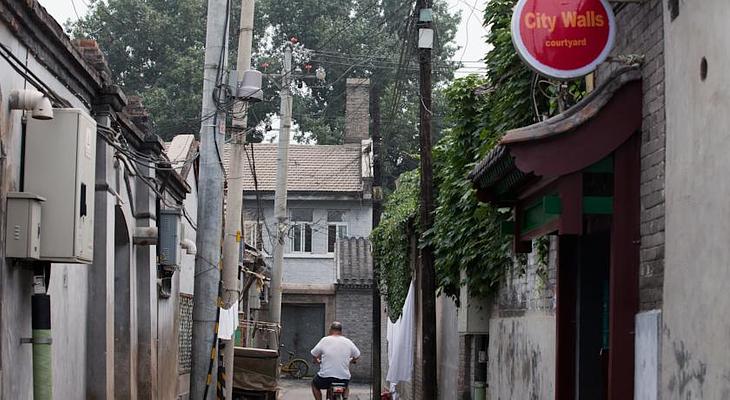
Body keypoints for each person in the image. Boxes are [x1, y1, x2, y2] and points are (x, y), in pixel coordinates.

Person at [310, 321, 360, 400]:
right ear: (341, 331)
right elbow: (357, 355)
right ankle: (345, 398)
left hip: (326, 378)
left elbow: (314, 354)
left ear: (330, 330)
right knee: (346, 386)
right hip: (343, 378)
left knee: (314, 384)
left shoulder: (325, 340)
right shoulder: (348, 342)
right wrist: (352, 360)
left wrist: (316, 360)